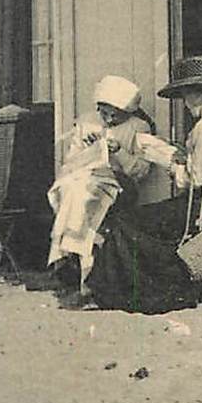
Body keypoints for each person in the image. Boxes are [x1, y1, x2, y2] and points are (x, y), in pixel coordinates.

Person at [92, 55, 202, 313]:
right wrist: (179, 155)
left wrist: (164, 160)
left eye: (184, 95)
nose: (185, 103)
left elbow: (193, 180)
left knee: (127, 221)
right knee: (145, 217)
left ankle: (137, 295)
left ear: (195, 94)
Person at [46, 75, 156, 297]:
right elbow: (69, 163)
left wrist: (118, 152)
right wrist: (88, 150)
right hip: (84, 178)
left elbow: (142, 170)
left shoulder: (139, 128)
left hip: (120, 185)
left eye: (116, 114)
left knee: (85, 196)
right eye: (104, 112)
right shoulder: (87, 123)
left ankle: (69, 259)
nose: (109, 118)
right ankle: (80, 266)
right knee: (74, 190)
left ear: (128, 112)